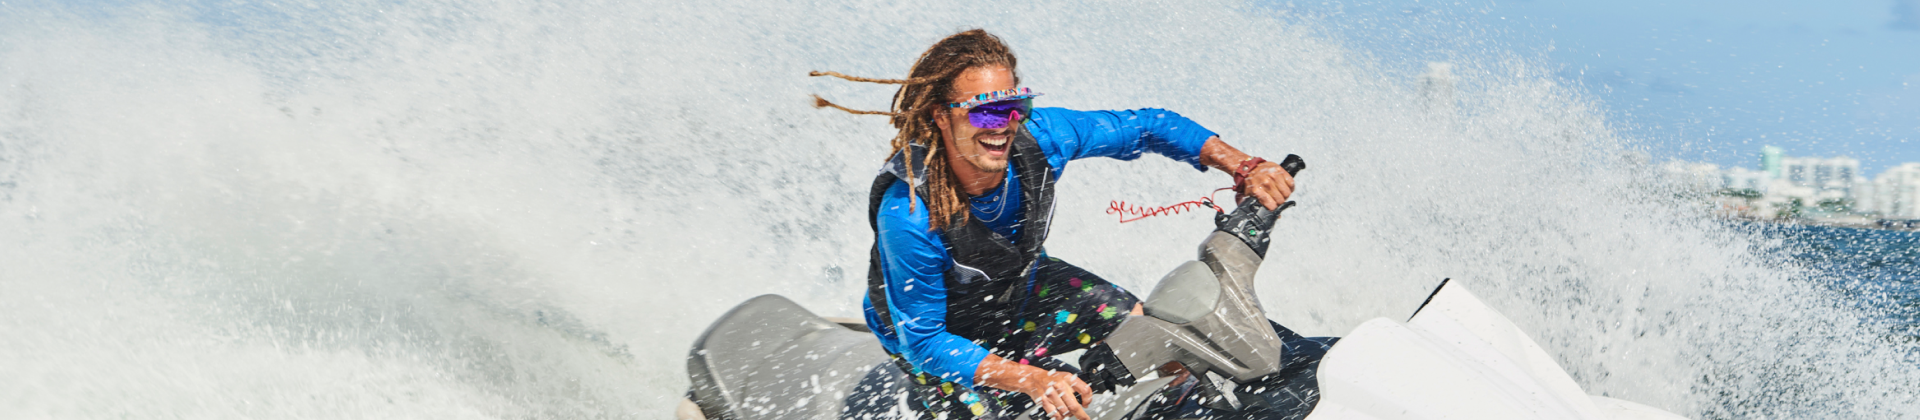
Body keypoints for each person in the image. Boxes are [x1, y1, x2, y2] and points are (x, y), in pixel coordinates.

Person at [810, 29, 1296, 420]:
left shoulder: (1041, 136)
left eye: (1014, 106)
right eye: (984, 110)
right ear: (940, 116)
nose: (1003, 125)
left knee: (1158, 336)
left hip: (1023, 287)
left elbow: (1148, 124)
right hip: (941, 335)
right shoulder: (910, 216)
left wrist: (1242, 165)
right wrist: (1034, 380)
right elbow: (925, 341)